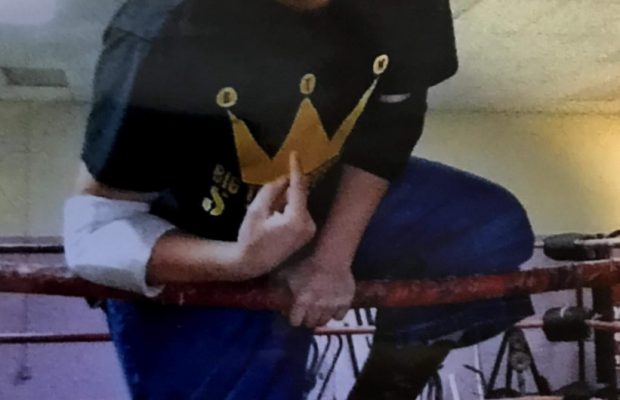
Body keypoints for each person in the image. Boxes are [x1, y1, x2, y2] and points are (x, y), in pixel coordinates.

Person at [63, 0, 536, 399]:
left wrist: (332, 257)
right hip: (195, 241)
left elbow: (392, 124)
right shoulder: (163, 30)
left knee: (485, 228)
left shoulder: (410, 8)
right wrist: (239, 263)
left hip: (320, 202)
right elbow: (94, 231)